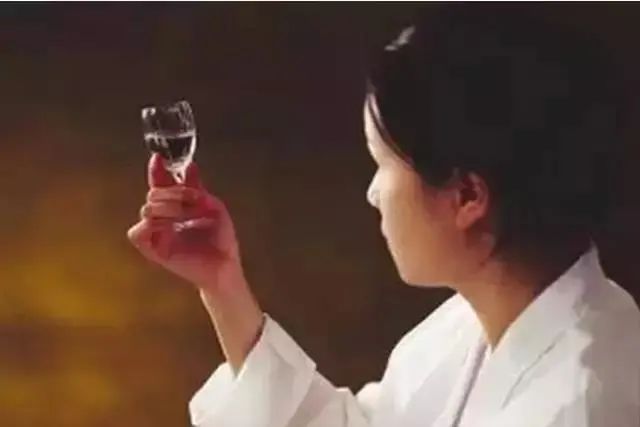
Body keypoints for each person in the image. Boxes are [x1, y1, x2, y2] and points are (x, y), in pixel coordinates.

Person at [128, 5, 640, 427]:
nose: (373, 193)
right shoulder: (469, 326)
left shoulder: (582, 404)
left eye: (383, 163)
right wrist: (222, 285)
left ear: (467, 196)